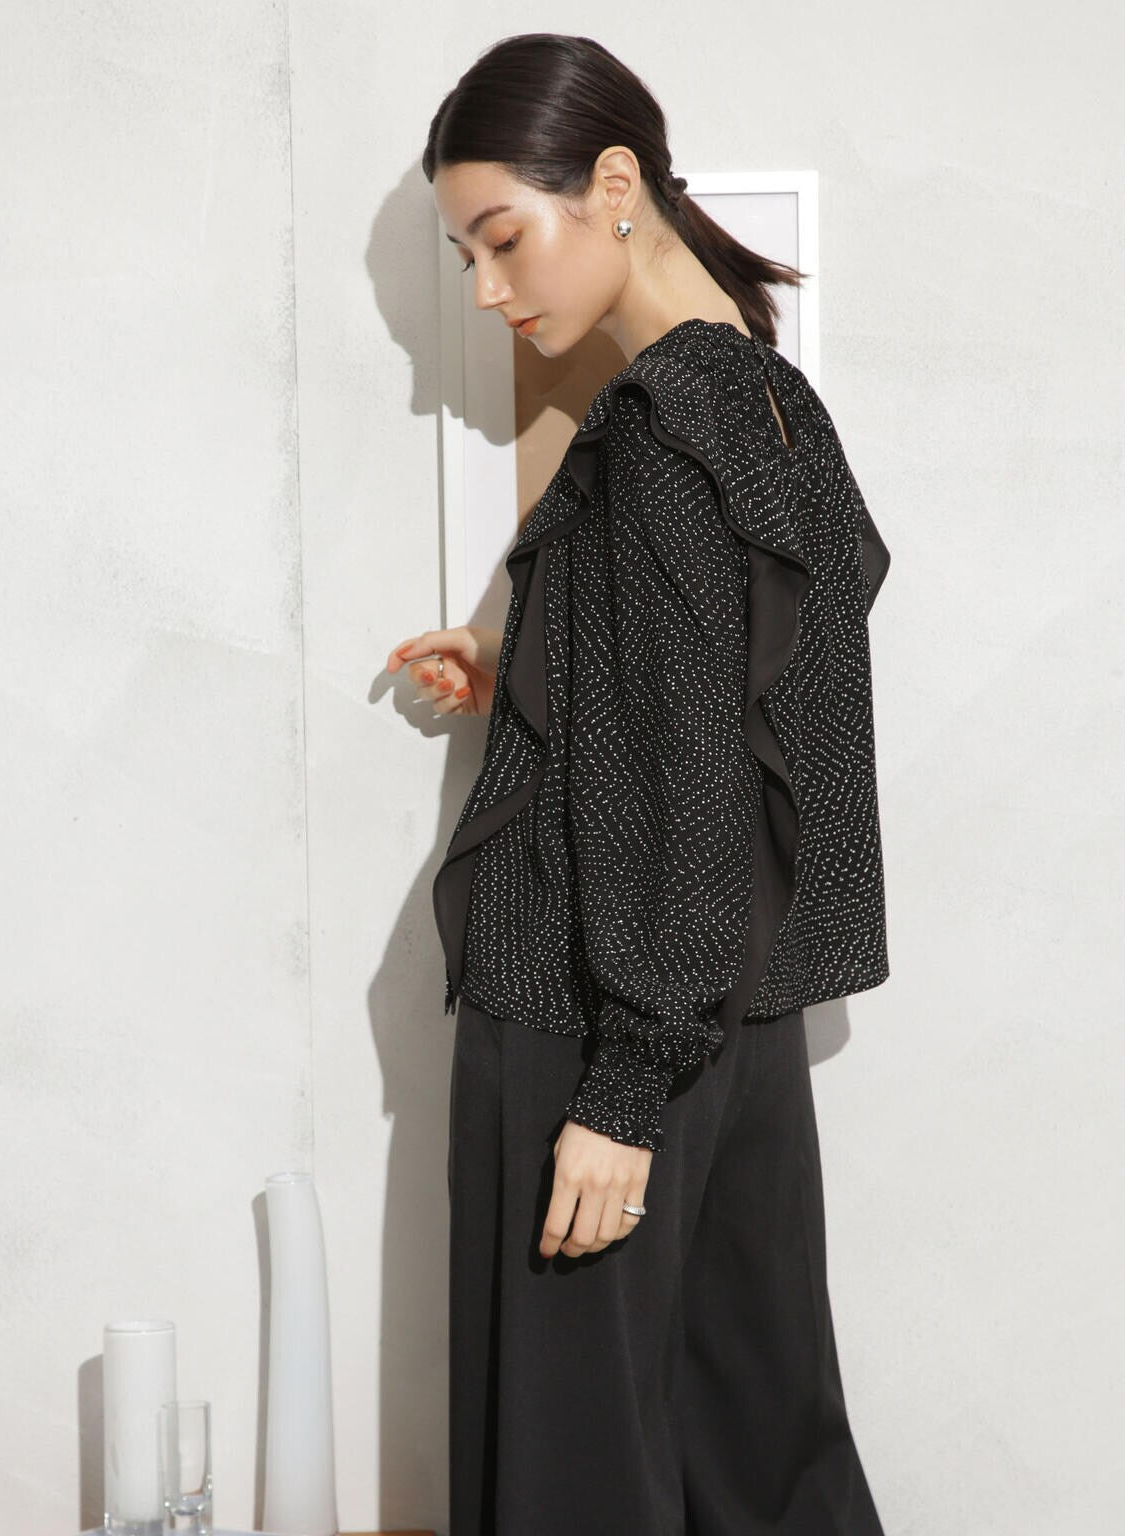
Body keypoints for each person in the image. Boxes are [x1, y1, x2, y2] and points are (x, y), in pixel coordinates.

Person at [386, 32, 892, 1536]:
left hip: (606, 1021)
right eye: (466, 256)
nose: (488, 289)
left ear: (613, 183)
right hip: (733, 1017)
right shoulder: (767, 401)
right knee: (763, 1457)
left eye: (500, 238)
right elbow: (750, 694)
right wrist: (536, 659)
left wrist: (620, 1093)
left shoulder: (660, 429)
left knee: (576, 1478)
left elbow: (685, 782)